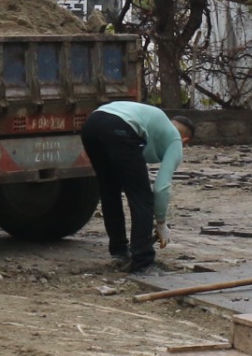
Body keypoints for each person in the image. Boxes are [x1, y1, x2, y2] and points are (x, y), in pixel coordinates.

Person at [81, 100, 189, 275]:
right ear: (186, 140)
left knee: (110, 191)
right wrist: (161, 223)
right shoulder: (175, 140)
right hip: (119, 127)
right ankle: (142, 262)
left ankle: (119, 252)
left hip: (92, 124)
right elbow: (161, 188)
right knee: (142, 197)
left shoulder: (155, 123)